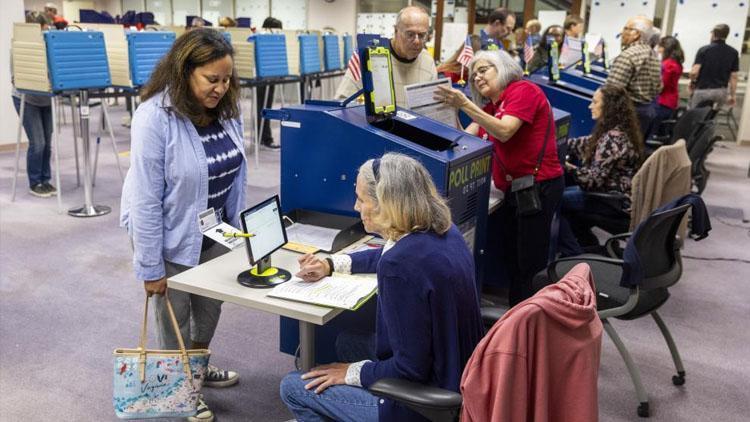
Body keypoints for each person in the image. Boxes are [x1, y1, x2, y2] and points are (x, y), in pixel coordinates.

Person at [279, 153, 484, 421]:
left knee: (294, 387)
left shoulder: (399, 267)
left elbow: (410, 369)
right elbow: (386, 254)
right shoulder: (441, 231)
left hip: (423, 402)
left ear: (386, 205)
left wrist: (350, 373)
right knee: (347, 343)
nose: (355, 207)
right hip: (458, 370)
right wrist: (332, 263)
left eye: (361, 200)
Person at [120, 29, 246, 422]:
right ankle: (178, 388)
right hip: (169, 233)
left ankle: (197, 367)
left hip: (216, 232)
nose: (221, 89)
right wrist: (151, 267)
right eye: (212, 80)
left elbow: (234, 175)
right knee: (173, 316)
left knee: (209, 309)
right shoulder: (154, 118)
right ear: (184, 71)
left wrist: (239, 234)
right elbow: (144, 200)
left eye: (226, 80)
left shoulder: (225, 110)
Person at [435, 50, 564, 306]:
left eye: (484, 70)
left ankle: (525, 327)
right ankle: (518, 320)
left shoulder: (522, 91)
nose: (478, 78)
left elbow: (505, 131)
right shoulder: (493, 106)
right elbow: (465, 140)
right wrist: (449, 113)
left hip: (538, 188)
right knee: (515, 261)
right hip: (516, 191)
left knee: (528, 265)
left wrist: (465, 105)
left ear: (503, 68)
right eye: (474, 75)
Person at [557, 85, 644, 256]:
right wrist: (556, 146)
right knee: (566, 201)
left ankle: (573, 256)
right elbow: (577, 144)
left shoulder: (612, 139)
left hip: (612, 201)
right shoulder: (617, 132)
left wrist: (566, 167)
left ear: (609, 107)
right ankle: (587, 246)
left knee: (552, 202)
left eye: (595, 102)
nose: (590, 106)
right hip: (616, 196)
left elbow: (591, 182)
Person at [335, 6, 437, 108]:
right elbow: (342, 102)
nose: (417, 41)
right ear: (396, 30)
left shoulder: (427, 61)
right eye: (410, 34)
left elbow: (432, 108)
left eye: (422, 35)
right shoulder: (370, 56)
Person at [12, 12, 54, 197]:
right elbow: (16, 79)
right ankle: (35, 182)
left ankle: (46, 180)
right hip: (26, 99)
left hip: (46, 98)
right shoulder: (19, 47)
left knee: (48, 143)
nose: (47, 33)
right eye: (44, 30)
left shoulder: (51, 45)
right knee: (38, 143)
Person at [605, 16, 662, 138]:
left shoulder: (628, 55)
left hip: (627, 114)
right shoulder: (653, 54)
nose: (622, 33)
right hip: (646, 113)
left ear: (636, 34)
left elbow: (612, 91)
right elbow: (659, 87)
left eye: (626, 28)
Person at [689, 24, 740, 108]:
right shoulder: (733, 52)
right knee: (710, 117)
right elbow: (734, 76)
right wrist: (733, 95)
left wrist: (692, 82)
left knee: (695, 116)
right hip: (721, 92)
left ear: (713, 34)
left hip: (703, 90)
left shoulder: (704, 50)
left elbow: (694, 72)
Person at [255, 17, 283, 149]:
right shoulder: (260, 40)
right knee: (263, 108)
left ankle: (263, 137)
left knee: (266, 107)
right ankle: (265, 138)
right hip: (262, 78)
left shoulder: (266, 40)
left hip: (270, 76)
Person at [650, 36, 684, 138]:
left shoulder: (668, 64)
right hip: (669, 101)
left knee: (653, 131)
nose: (658, 49)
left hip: (663, 102)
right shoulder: (676, 63)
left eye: (659, 46)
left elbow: (661, 85)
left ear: (665, 47)